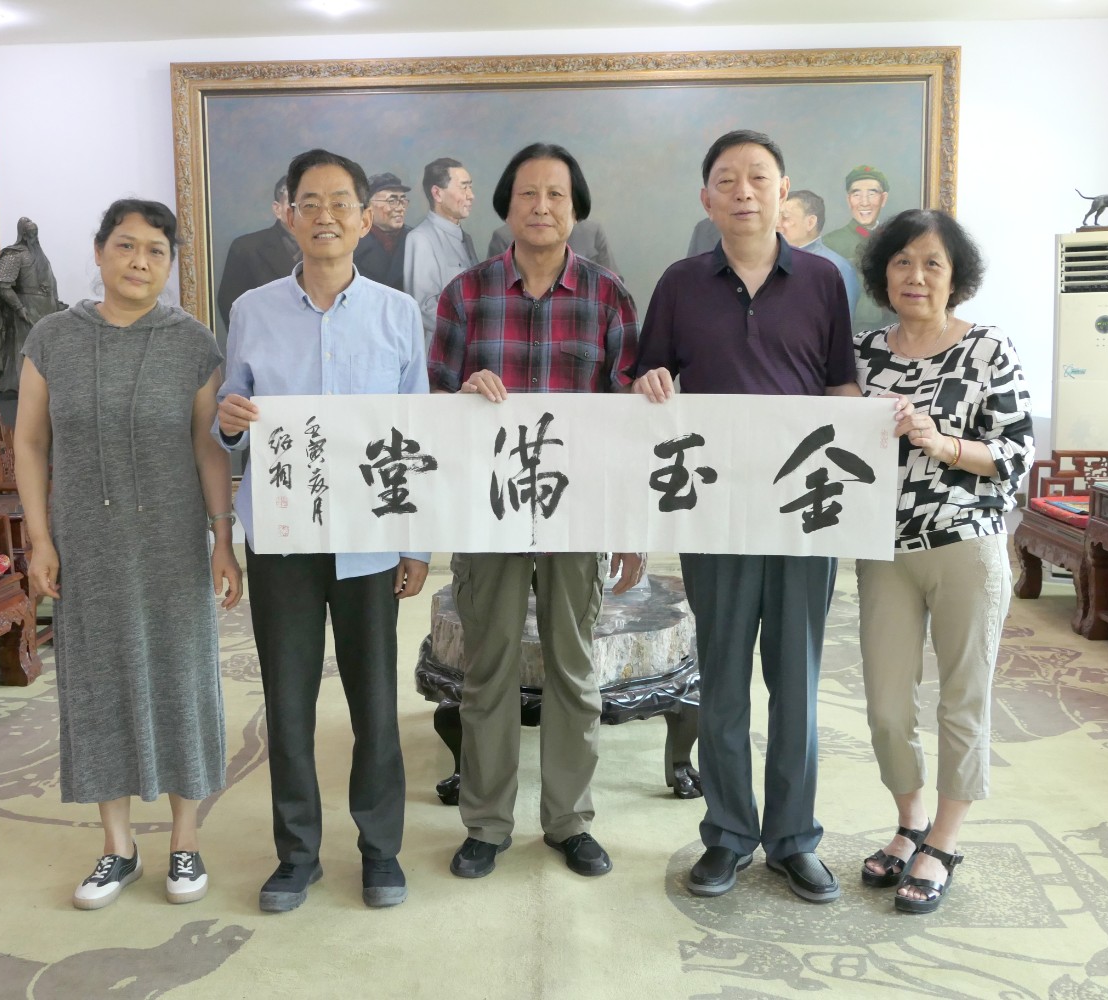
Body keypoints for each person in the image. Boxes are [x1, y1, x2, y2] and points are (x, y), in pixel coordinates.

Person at [632, 129, 859, 905]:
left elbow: (841, 390)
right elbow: (649, 378)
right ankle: (727, 836)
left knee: (796, 684)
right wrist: (650, 383)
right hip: (716, 513)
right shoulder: (680, 283)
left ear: (783, 190)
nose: (744, 192)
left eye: (759, 177)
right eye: (727, 180)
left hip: (803, 516)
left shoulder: (823, 281)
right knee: (724, 680)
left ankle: (794, 840)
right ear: (707, 198)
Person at [216, 149, 429, 914]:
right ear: (289, 216)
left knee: (375, 703)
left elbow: (415, 434)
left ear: (366, 219)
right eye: (310, 202)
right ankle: (297, 855)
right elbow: (230, 421)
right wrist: (230, 422)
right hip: (283, 541)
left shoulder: (398, 314)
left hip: (369, 543)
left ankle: (381, 852)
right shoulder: (252, 310)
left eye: (341, 203)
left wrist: (416, 542)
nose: (326, 216)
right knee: (288, 703)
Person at [13, 198, 241, 911]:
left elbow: (209, 447)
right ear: (99, 251)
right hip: (85, 543)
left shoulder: (193, 343)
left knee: (182, 680)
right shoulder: (52, 338)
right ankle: (117, 847)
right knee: (96, 683)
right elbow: (30, 442)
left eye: (155, 251)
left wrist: (223, 538)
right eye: (126, 245)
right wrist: (40, 539)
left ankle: (184, 840)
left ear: (170, 264)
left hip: (173, 542)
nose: (140, 261)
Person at [430, 142, 644, 881]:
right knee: (487, 671)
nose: (542, 206)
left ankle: (568, 821)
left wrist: (629, 523)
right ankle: (486, 825)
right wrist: (460, 397)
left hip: (576, 515)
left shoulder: (608, 298)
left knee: (573, 671)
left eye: (556, 194)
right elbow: (431, 402)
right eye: (528, 193)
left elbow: (627, 422)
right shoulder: (466, 295)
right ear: (507, 206)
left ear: (576, 208)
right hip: (487, 512)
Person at [852, 208, 1033, 914]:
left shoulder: (988, 349)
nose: (916, 276)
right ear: (883, 273)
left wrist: (942, 442)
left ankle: (945, 842)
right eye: (902, 261)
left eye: (932, 263)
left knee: (963, 697)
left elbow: (1015, 454)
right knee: (886, 705)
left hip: (966, 544)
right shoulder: (863, 353)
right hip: (884, 550)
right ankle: (910, 821)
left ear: (956, 277)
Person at [0, 217, 67, 425]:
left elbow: (49, 288)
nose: (33, 236)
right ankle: (18, 388)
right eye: (30, 232)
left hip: (45, 313)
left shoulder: (41, 257)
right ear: (23, 233)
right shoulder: (14, 254)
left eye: (35, 232)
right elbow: (1, 284)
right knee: (22, 355)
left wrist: (57, 306)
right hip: (24, 314)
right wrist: (19, 307)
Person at [404, 156, 476, 346]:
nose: (471, 195)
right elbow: (423, 308)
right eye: (464, 187)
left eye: (470, 187)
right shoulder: (420, 238)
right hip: (441, 351)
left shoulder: (465, 238)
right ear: (437, 193)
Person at [215, 174, 300, 330]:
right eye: (293, 203)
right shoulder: (246, 248)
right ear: (277, 209)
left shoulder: (328, 247)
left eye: (308, 204)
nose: (300, 210)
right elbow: (231, 306)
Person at [823, 165, 896, 332]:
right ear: (849, 199)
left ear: (883, 198)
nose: (864, 202)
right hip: (853, 332)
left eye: (872, 194)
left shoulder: (896, 240)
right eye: (857, 194)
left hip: (896, 330)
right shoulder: (831, 243)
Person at [777, 190, 860, 326]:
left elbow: (842, 327)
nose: (777, 224)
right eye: (776, 217)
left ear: (810, 222)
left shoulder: (837, 267)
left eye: (785, 218)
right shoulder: (769, 262)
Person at [487, 217, 621, 277]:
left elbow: (615, 287)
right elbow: (492, 294)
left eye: (555, 194)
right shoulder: (504, 237)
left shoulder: (592, 232)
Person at [352, 171, 411, 290]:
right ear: (368, 206)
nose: (400, 208)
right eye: (392, 201)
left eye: (403, 201)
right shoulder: (353, 243)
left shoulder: (416, 239)